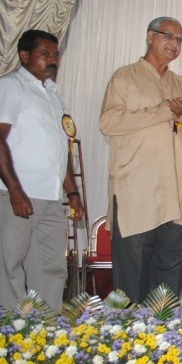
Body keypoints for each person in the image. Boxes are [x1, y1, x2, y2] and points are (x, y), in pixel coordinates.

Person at [99, 17, 182, 303]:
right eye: (168, 36)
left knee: (167, 288)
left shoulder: (181, 85)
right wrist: (164, 111)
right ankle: (130, 333)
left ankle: (163, 331)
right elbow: (108, 122)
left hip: (177, 196)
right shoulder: (124, 77)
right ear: (150, 36)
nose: (174, 44)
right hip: (136, 193)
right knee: (131, 285)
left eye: (179, 40)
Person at [0, 30, 83, 310]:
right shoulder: (10, 86)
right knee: (9, 265)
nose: (52, 60)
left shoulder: (53, 95)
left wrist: (72, 193)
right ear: (25, 56)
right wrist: (15, 190)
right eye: (45, 54)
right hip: (17, 194)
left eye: (55, 55)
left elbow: (61, 147)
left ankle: (45, 328)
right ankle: (10, 328)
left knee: (50, 267)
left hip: (50, 196)